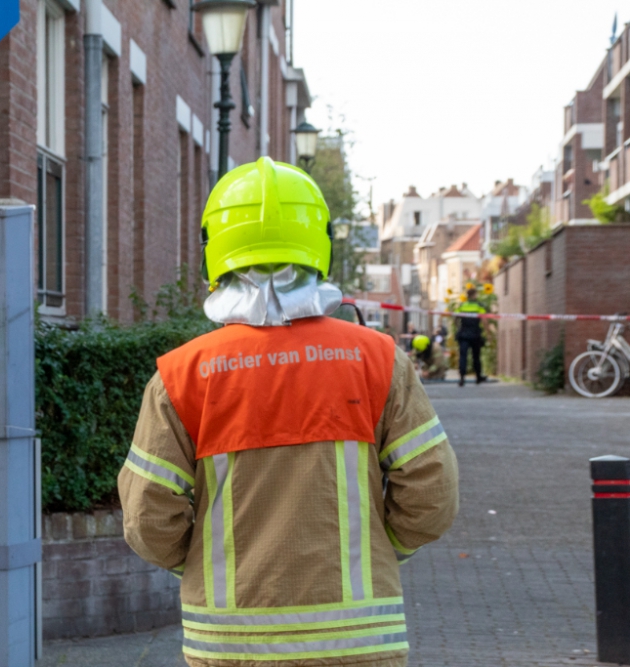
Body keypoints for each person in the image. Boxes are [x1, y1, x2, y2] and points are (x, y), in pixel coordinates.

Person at [118, 158, 459, 667]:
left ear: (216, 250)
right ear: (317, 243)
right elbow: (432, 495)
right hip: (360, 640)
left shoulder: (181, 376)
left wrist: (197, 562)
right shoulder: (378, 360)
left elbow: (148, 518)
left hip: (229, 645)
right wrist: (384, 550)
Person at [456, 287, 487, 386]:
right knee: (476, 356)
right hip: (475, 334)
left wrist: (458, 328)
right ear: (474, 295)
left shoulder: (462, 305)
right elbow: (484, 319)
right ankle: (478, 377)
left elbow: (455, 318)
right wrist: (487, 333)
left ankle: (462, 378)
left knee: (463, 356)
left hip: (464, 333)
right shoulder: (478, 306)